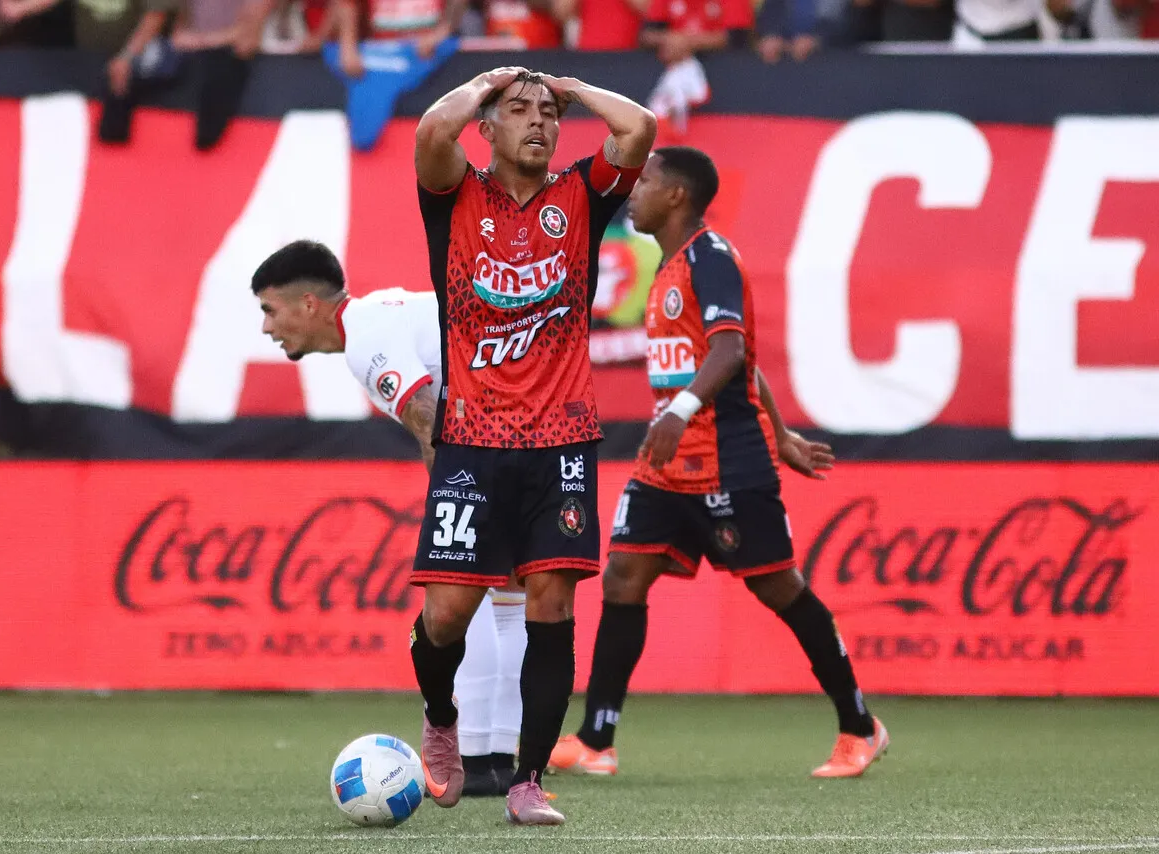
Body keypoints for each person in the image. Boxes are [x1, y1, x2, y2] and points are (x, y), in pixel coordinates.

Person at [547, 146, 890, 780]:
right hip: (667, 462)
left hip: (726, 459)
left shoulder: (711, 258)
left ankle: (860, 725)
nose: (633, 192)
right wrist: (782, 432)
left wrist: (684, 412)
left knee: (777, 587)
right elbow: (740, 361)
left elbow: (731, 350)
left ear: (676, 195)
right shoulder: (670, 264)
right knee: (624, 575)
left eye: (646, 181)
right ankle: (596, 740)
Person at [410, 67, 656, 825]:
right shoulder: (457, 194)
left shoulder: (581, 195)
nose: (538, 121)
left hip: (562, 438)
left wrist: (571, 86)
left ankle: (528, 779)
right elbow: (432, 131)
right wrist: (486, 83)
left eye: (548, 112)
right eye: (518, 111)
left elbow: (639, 129)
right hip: (472, 439)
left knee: (552, 602)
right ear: (487, 128)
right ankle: (441, 717)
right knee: (446, 616)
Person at [249, 239, 528, 799]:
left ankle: (477, 756)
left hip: (496, 433)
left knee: (462, 584)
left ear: (308, 304)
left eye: (270, 310)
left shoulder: (366, 341)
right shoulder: (382, 313)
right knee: (509, 593)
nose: (266, 327)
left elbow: (427, 419)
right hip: (525, 416)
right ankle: (498, 758)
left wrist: (454, 499)